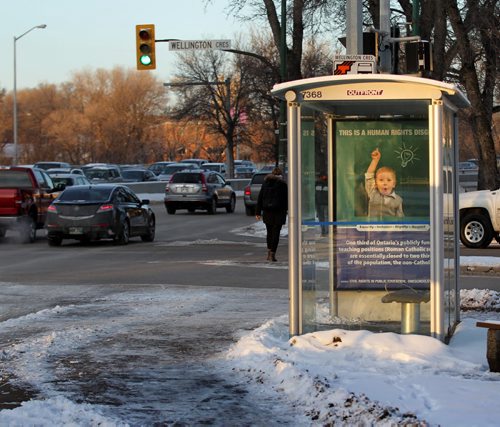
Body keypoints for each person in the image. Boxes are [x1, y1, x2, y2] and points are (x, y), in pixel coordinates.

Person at [255, 167, 288, 262]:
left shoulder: (265, 184)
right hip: (279, 211)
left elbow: (260, 198)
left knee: (269, 232)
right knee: (276, 233)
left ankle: (269, 252)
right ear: (281, 175)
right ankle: (273, 253)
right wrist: (287, 210)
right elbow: (286, 199)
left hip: (267, 211)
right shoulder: (283, 185)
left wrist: (258, 212)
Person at [365, 148, 404, 218]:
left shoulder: (398, 200)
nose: (385, 183)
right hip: (373, 228)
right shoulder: (372, 193)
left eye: (388, 180)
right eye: (381, 180)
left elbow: (400, 219)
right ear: (376, 184)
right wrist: (375, 160)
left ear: (394, 184)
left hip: (390, 228)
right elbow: (369, 176)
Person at [315, 172, 329, 236]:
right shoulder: (317, 184)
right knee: (323, 218)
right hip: (321, 204)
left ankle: (325, 231)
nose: (323, 178)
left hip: (325, 204)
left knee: (324, 218)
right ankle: (324, 231)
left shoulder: (317, 184)